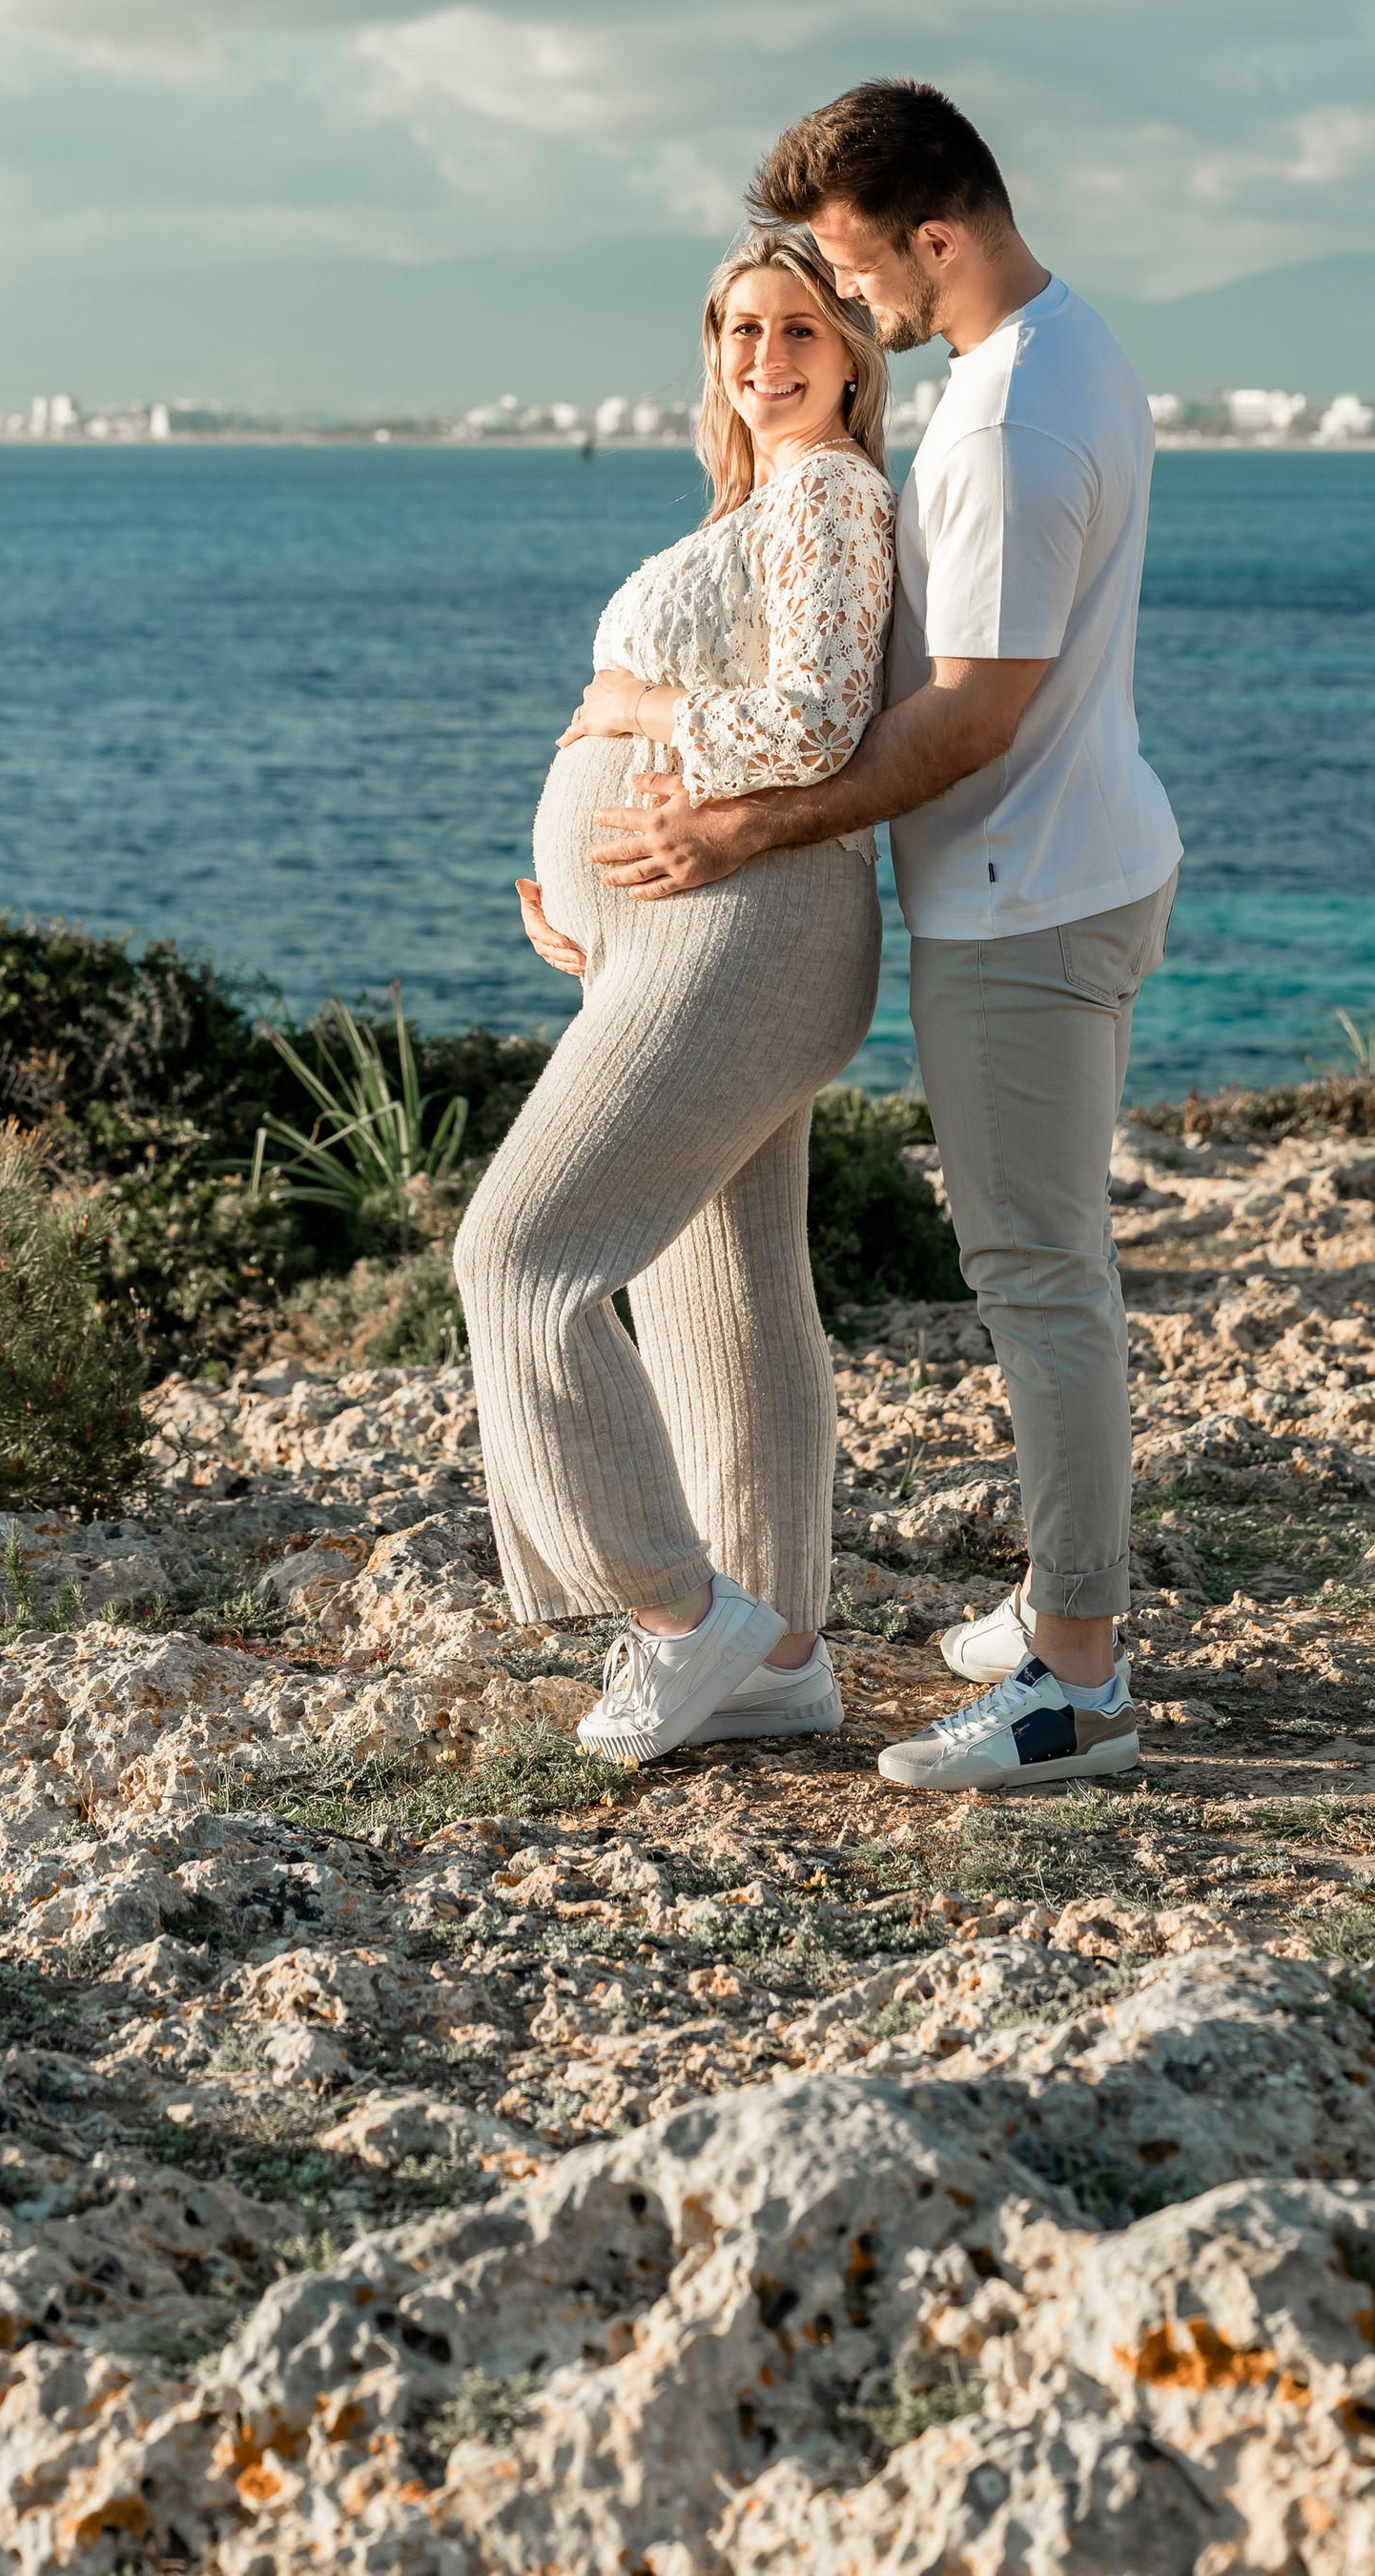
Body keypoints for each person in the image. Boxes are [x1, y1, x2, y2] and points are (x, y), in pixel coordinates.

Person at [585, 79, 1180, 1793]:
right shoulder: (1059, 348)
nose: (854, 309)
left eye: (856, 273)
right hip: (1074, 860)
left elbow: (967, 721)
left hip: (1024, 901)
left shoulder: (1000, 429)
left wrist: (731, 822)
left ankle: (1078, 1683)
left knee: (1040, 1278)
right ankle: (1058, 1599)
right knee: (1047, 1265)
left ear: (937, 233)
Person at [454, 227, 897, 1765]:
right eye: (735, 332)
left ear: (852, 349)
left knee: (519, 1253)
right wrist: (582, 886)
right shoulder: (757, 504)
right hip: (686, 932)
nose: (762, 359)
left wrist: (637, 715)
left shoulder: (829, 490)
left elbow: (818, 719)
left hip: (749, 925)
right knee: (725, 1284)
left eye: (793, 329)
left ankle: (668, 1607)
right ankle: (772, 1650)